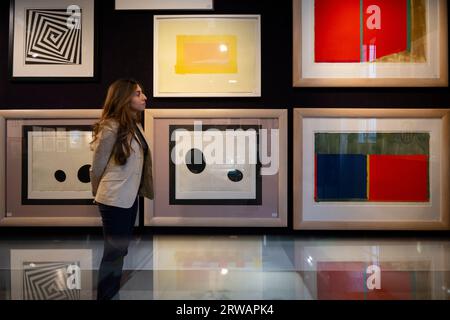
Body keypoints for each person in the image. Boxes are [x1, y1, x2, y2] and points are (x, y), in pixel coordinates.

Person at [89, 78, 153, 300]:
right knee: (114, 252)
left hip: (128, 197)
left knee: (121, 250)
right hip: (113, 198)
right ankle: (105, 296)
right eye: (138, 93)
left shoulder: (135, 125)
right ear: (123, 97)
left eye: (142, 93)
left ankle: (112, 292)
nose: (144, 97)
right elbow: (97, 167)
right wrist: (99, 194)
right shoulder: (110, 126)